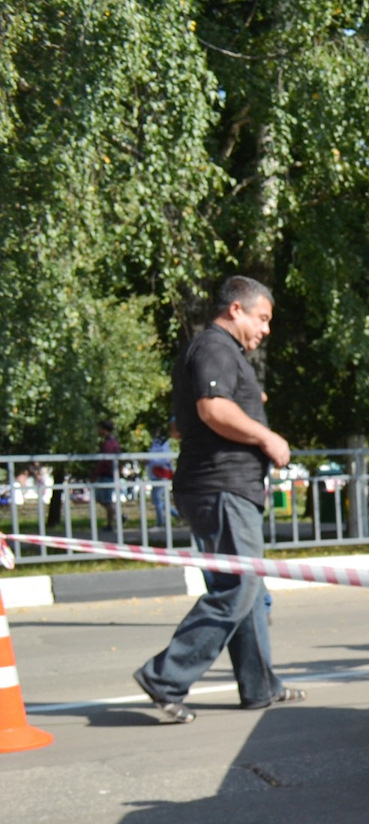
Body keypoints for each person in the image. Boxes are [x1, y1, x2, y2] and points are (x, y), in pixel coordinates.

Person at [133, 275, 302, 724]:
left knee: (250, 588)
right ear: (236, 310)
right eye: (262, 318)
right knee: (238, 586)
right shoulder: (215, 347)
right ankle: (165, 677)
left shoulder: (219, 354)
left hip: (224, 486)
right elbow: (212, 410)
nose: (266, 329)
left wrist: (247, 403)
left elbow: (181, 423)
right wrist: (268, 437)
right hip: (221, 487)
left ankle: (260, 685)